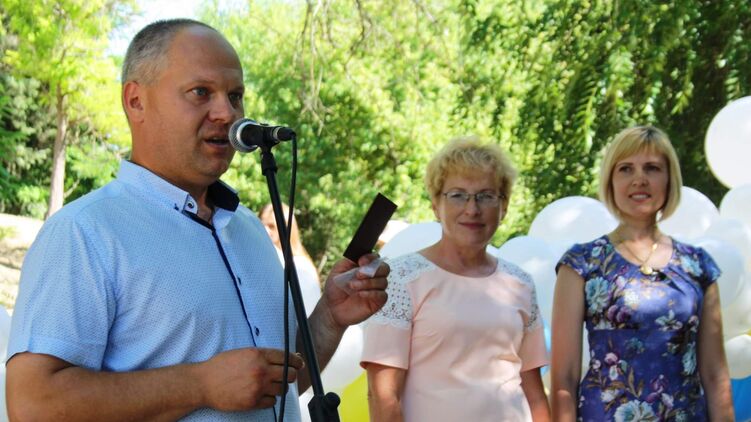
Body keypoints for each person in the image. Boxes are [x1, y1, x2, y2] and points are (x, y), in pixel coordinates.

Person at [5, 19, 388, 421]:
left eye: (235, 96)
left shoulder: (248, 229)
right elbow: (32, 405)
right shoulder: (83, 232)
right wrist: (199, 385)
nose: (227, 113)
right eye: (201, 92)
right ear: (135, 101)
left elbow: (275, 387)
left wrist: (330, 316)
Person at [551, 126, 734, 421]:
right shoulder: (581, 263)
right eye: (626, 169)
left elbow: (715, 376)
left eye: (652, 168)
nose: (640, 179)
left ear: (669, 179)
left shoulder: (699, 266)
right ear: (610, 181)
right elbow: (564, 379)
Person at [361, 137, 551, 422]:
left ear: (504, 206)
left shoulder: (520, 284)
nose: (472, 209)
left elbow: (534, 394)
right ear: (436, 204)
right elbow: (383, 397)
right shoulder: (401, 279)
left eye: (486, 195)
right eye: (458, 195)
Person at [258, 203, 321, 316]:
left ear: (286, 228)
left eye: (272, 226)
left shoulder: (300, 266)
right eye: (262, 225)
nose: (266, 231)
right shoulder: (266, 259)